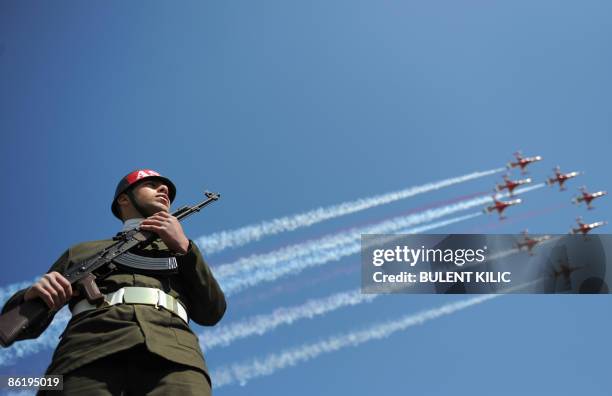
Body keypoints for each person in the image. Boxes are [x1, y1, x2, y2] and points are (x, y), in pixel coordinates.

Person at [1, 169, 226, 395]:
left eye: (165, 187)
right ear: (123, 198)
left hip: (175, 356)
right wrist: (32, 294)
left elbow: (212, 311)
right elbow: (18, 326)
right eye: (151, 184)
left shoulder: (181, 251)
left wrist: (185, 249)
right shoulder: (82, 252)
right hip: (86, 352)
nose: (164, 189)